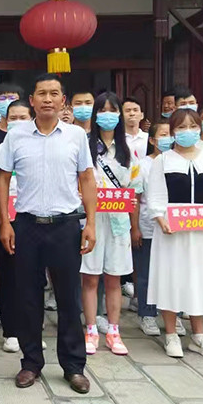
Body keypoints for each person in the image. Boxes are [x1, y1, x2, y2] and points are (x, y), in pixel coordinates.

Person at [0, 74, 97, 393]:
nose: (48, 99)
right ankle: (31, 363)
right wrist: (5, 222)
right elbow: (2, 179)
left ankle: (74, 366)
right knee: (27, 297)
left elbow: (87, 178)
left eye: (54, 94)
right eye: (42, 93)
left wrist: (91, 223)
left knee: (68, 298)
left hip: (65, 225)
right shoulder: (17, 135)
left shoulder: (75, 136)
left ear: (63, 101)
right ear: (32, 100)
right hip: (27, 225)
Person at [146, 108, 203, 358]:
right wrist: (161, 220)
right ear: (173, 131)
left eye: (193, 126)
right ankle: (171, 334)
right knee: (171, 277)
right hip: (172, 231)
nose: (188, 131)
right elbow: (155, 198)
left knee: (199, 279)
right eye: (181, 127)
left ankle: (198, 336)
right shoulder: (163, 160)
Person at [80, 93, 136, 356]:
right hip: (91, 220)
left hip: (118, 222)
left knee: (114, 278)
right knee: (90, 278)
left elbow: (134, 186)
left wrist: (131, 201)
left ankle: (114, 331)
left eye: (113, 110)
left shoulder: (128, 149)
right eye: (102, 110)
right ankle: (91, 329)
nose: (107, 115)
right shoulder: (85, 145)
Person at [0, 100, 32, 352]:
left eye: (23, 117)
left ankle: (32, 330)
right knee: (10, 276)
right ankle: (11, 331)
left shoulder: (40, 149)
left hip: (33, 219)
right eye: (12, 118)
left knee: (33, 278)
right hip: (3, 219)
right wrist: (5, 209)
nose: (17, 122)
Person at [132, 119, 171, 337]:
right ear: (153, 140)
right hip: (148, 225)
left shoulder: (178, 161)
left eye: (171, 134)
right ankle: (147, 314)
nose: (168, 139)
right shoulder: (143, 165)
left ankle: (172, 314)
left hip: (174, 226)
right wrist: (135, 227)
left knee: (170, 273)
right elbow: (136, 199)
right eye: (163, 135)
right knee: (146, 273)